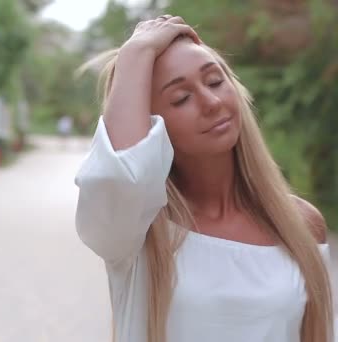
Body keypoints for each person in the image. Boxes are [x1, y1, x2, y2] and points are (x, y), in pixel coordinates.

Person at [74, 14, 333, 342]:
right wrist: (136, 50)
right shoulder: (138, 234)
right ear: (152, 127)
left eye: (214, 81)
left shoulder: (301, 225)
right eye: (181, 98)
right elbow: (118, 176)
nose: (211, 103)